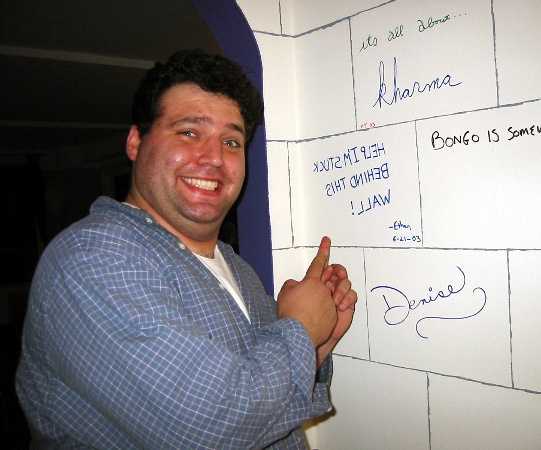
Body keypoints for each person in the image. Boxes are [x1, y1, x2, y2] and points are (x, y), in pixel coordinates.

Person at [16, 49, 357, 449]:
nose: (215, 158)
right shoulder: (91, 259)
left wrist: (317, 343)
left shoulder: (236, 269)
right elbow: (212, 428)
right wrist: (300, 327)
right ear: (135, 142)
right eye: (190, 133)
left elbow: (260, 399)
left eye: (231, 141)